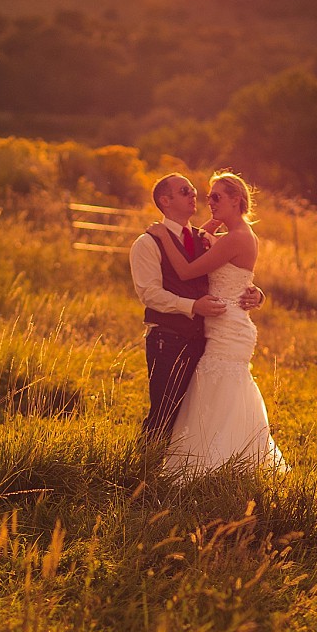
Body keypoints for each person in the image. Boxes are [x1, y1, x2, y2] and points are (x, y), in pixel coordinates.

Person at [146, 171, 286, 478]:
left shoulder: (235, 238)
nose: (209, 202)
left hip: (227, 327)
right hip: (225, 322)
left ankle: (214, 463)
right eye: (207, 196)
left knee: (219, 389)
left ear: (237, 200)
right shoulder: (234, 235)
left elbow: (185, 270)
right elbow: (203, 237)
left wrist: (162, 236)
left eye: (217, 197)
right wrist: (217, 219)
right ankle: (218, 460)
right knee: (218, 388)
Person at [129, 172, 263, 453]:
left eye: (197, 191)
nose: (196, 196)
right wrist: (192, 306)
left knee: (196, 408)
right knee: (164, 413)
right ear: (165, 201)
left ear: (236, 199)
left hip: (204, 337)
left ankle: (214, 460)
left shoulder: (201, 238)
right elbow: (149, 295)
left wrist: (256, 292)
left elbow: (226, 271)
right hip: (168, 337)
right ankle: (141, 472)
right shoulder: (147, 242)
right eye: (185, 191)